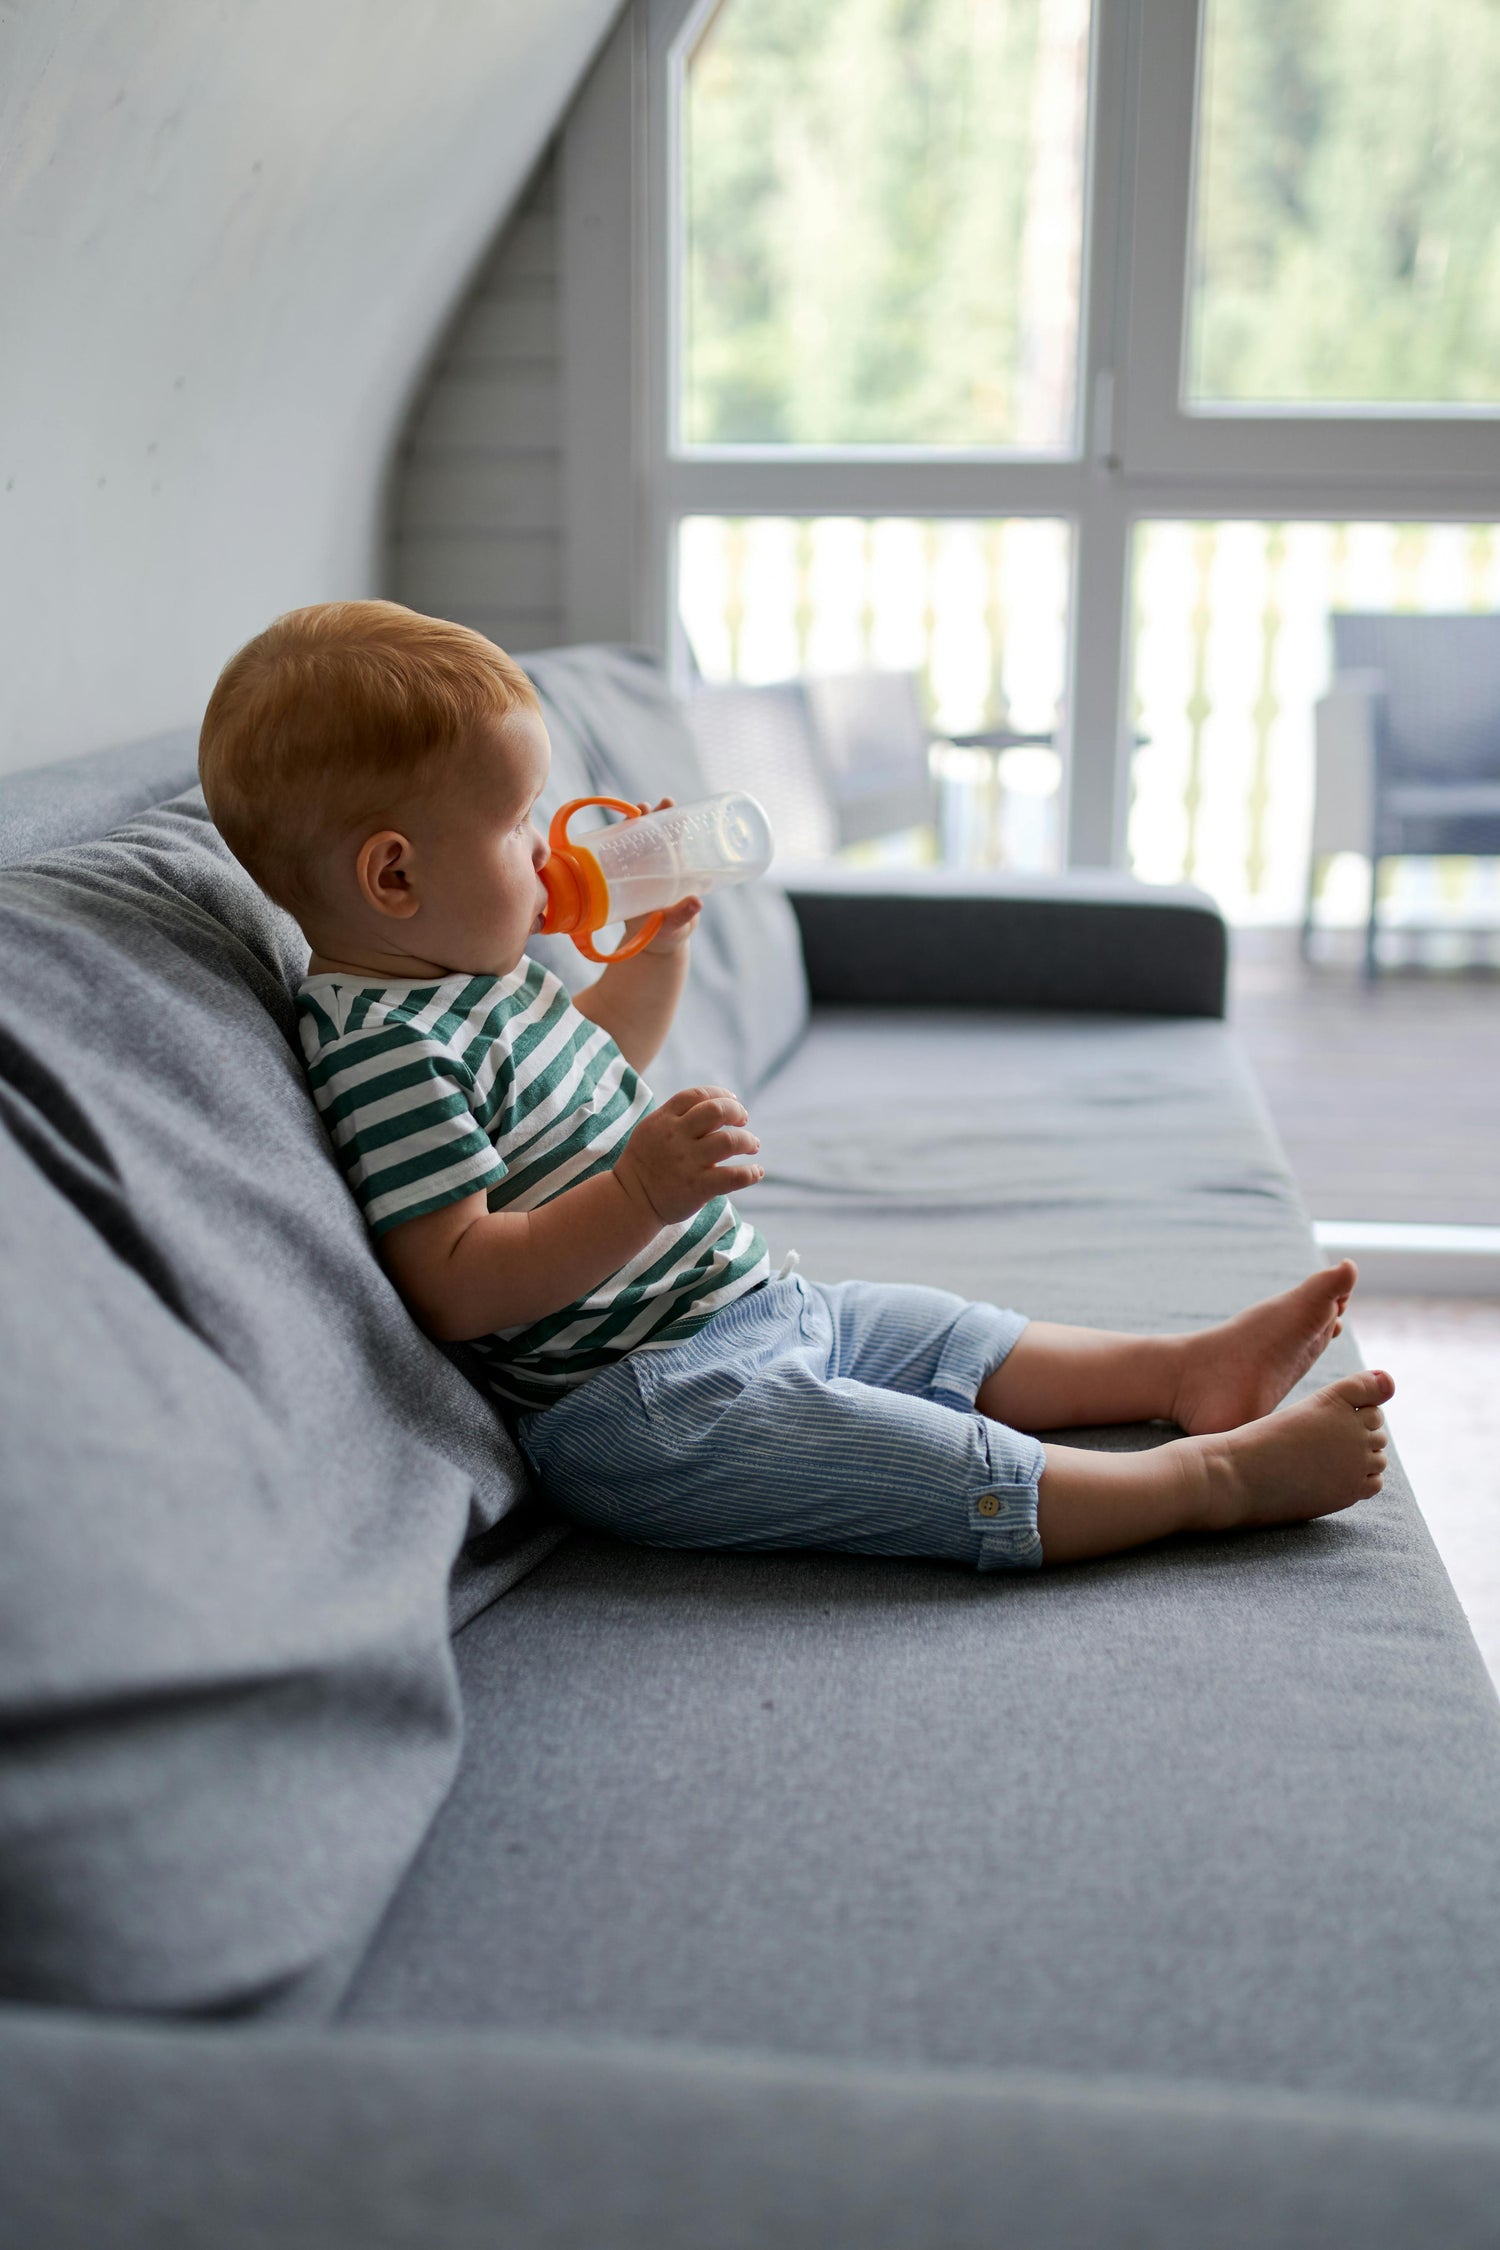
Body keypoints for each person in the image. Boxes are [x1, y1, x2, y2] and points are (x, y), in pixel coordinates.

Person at [198, 600, 1392, 1574]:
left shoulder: (473, 978)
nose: (548, 844)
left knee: (945, 1331)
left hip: (746, 1306)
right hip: (649, 1408)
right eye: (517, 829)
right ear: (394, 875)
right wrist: (639, 1193)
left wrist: (657, 951)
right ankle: (1210, 1483)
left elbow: (606, 1055)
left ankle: (1183, 1371)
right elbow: (457, 1282)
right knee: (930, 1466)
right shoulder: (384, 1047)